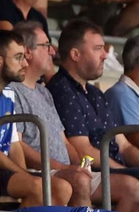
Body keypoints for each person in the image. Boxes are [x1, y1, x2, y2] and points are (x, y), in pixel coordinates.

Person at [0, 29, 87, 205]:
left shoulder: (8, 93)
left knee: (63, 188)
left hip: (1, 172)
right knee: (38, 186)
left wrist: (23, 173)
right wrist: (25, 176)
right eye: (18, 58)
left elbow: (14, 147)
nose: (25, 63)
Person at [11, 19, 96, 201]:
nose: (53, 51)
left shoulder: (44, 91)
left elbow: (64, 141)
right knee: (80, 181)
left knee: (131, 186)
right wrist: (66, 169)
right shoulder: (12, 91)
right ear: (27, 52)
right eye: (46, 45)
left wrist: (78, 164)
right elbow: (19, 147)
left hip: (65, 170)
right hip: (39, 172)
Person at [50, 20, 139, 182]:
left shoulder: (95, 93)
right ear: (75, 54)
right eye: (98, 49)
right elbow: (83, 149)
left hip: (114, 172)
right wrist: (125, 172)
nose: (105, 55)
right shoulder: (61, 90)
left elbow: (124, 146)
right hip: (92, 174)